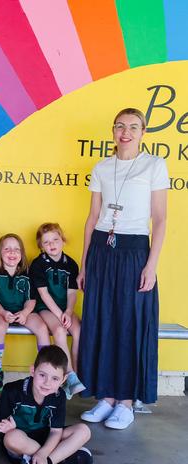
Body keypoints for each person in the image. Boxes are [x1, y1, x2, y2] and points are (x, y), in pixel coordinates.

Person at [78, 108, 169, 430]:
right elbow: (92, 218)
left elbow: (159, 219)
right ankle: (106, 397)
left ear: (143, 132)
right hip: (103, 250)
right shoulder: (102, 166)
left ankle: (127, 401)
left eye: (132, 127)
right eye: (119, 126)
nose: (125, 132)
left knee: (129, 323)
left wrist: (151, 264)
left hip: (134, 251)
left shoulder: (154, 165)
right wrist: (85, 262)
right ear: (113, 131)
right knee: (102, 320)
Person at [0, 345, 93, 464]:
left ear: (63, 380)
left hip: (47, 438)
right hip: (23, 442)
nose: (47, 383)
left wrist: (43, 454)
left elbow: (55, 432)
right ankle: (61, 456)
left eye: (55, 379)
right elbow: (2, 422)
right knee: (11, 438)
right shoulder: (12, 391)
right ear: (33, 371)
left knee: (84, 430)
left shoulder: (59, 396)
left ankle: (44, 462)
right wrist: (8, 427)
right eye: (42, 375)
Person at [0, 234, 49, 392]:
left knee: (42, 328)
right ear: (0, 253)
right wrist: (3, 312)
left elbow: (31, 300)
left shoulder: (26, 274)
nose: (12, 252)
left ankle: (45, 369)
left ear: (22, 254)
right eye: (7, 249)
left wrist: (25, 313)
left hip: (23, 311)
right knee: (0, 327)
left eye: (16, 249)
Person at [30, 223, 84, 399]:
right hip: (45, 308)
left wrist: (68, 311)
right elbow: (43, 294)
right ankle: (68, 376)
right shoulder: (38, 265)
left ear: (63, 240)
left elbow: (72, 292)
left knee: (77, 332)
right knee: (59, 331)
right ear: (41, 246)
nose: (52, 244)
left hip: (64, 309)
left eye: (55, 239)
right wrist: (60, 315)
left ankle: (77, 374)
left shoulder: (70, 264)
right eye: (46, 242)